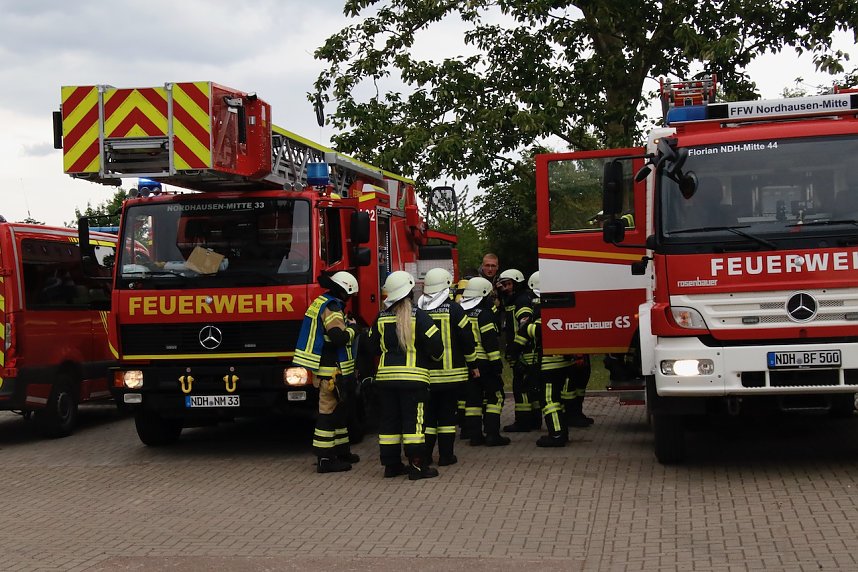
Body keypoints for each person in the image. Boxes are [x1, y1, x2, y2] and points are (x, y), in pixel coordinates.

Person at [368, 270, 444, 479]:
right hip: (414, 381)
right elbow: (436, 347)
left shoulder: (380, 317)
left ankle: (391, 466)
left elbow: (371, 347)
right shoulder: (420, 317)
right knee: (414, 424)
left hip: (386, 380)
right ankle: (417, 466)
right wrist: (431, 360)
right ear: (410, 291)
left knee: (389, 423)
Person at [293, 271, 361, 473]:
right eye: (350, 295)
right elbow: (338, 337)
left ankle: (341, 451)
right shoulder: (332, 307)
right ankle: (325, 459)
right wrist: (353, 329)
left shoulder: (322, 302)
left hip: (329, 370)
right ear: (344, 291)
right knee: (328, 414)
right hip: (330, 372)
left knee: (339, 412)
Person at [418, 268, 477, 466]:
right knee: (446, 418)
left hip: (426, 375)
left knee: (428, 418)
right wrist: (473, 363)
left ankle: (426, 456)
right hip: (451, 376)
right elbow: (467, 338)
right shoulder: (455, 309)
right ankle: (446, 456)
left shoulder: (419, 310)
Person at [522, 271, 575, 447]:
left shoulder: (544, 307)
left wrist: (525, 327)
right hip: (563, 361)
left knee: (549, 400)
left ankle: (557, 435)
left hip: (549, 364)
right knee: (558, 400)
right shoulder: (563, 303)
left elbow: (539, 331)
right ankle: (562, 432)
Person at [461, 276, 510, 447]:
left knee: (473, 401)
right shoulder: (484, 314)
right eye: (489, 295)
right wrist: (497, 364)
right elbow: (490, 342)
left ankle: (475, 436)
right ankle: (492, 434)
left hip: (468, 364)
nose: (491, 298)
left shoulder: (462, 313)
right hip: (485, 364)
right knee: (496, 396)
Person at [496, 268, 539, 432]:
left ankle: (523, 422)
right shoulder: (511, 300)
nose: (505, 288)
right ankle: (534, 420)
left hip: (524, 352)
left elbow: (524, 326)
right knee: (530, 386)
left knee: (521, 388)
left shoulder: (521, 300)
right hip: (521, 351)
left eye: (508, 284)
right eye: (503, 285)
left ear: (517, 284)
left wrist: (514, 349)